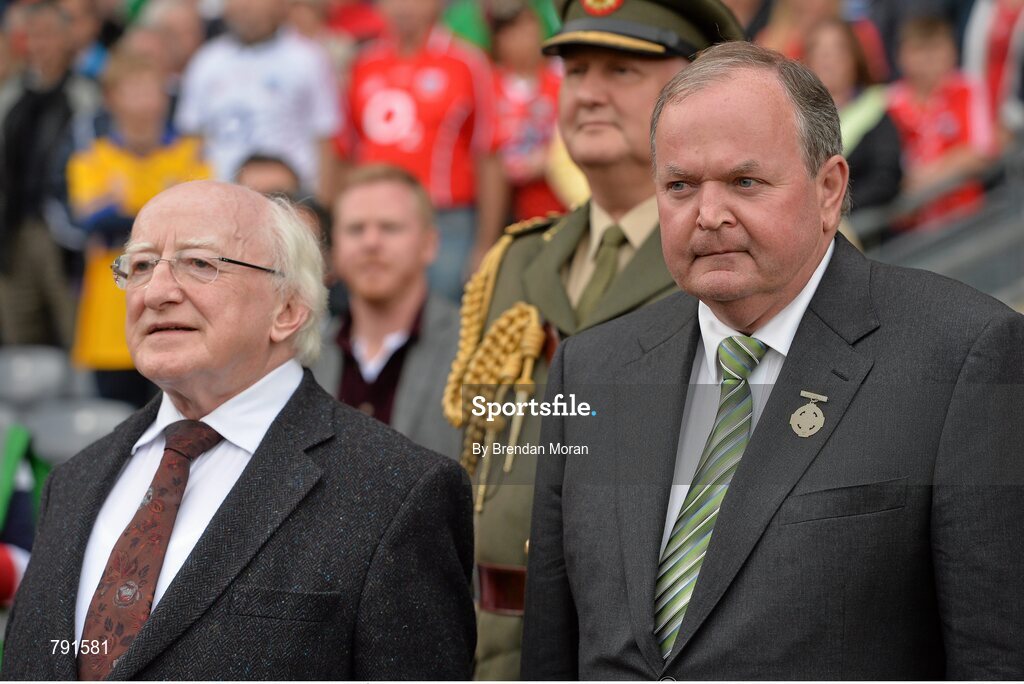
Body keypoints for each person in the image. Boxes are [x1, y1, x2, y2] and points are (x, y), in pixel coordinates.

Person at [521, 41, 1024, 679]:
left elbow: (997, 656)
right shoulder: (589, 368)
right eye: (680, 186)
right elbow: (551, 652)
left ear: (829, 190)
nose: (707, 216)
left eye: (744, 182)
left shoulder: (964, 354)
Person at [0, 180, 475, 680]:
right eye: (140, 266)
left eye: (200, 263)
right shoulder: (73, 481)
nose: (157, 292)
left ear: (288, 310)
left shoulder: (399, 492)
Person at [442, 0, 743, 679]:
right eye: (575, 69)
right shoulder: (516, 262)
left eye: (622, 70)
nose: (589, 93)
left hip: (663, 644)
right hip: (497, 646)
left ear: (695, 89)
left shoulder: (739, 258)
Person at [335, 0, 506, 302]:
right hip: (375, 219)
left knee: (443, 319)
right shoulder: (362, 64)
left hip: (445, 220)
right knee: (376, 310)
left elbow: (488, 154)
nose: (403, 7)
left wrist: (486, 245)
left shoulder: (467, 62)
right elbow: (347, 152)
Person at [67, 53, 210, 407]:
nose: (146, 100)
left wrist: (122, 205)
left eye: (153, 89)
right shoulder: (92, 158)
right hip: (109, 323)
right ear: (111, 97)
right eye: (135, 89)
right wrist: (167, 201)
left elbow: (203, 217)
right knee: (113, 425)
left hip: (178, 315)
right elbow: (89, 220)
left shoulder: (192, 154)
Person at [312, 164, 460, 460]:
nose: (371, 242)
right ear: (335, 248)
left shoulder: (477, 347)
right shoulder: (305, 355)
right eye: (356, 229)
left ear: (429, 244)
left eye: (390, 227)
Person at [0, 0, 101, 347]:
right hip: (13, 233)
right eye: (33, 36)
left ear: (68, 37)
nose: (41, 45)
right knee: (19, 331)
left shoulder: (86, 97)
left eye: (49, 35)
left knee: (73, 328)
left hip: (64, 234)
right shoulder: (11, 97)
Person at [175, 0, 340, 204]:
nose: (244, 6)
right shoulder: (206, 61)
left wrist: (322, 207)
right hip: (221, 198)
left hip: (292, 200)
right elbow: (192, 141)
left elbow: (325, 139)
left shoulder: (308, 59)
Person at [887, 16, 996, 229]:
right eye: (919, 49)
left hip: (966, 220)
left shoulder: (968, 89)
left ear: (952, 51)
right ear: (901, 56)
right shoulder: (889, 102)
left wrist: (925, 181)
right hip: (910, 230)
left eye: (935, 48)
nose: (928, 58)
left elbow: (980, 152)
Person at [804, 18, 902, 214]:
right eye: (820, 51)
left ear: (853, 57)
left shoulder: (875, 110)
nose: (827, 59)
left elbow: (885, 180)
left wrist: (834, 208)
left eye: (837, 50)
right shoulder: (797, 118)